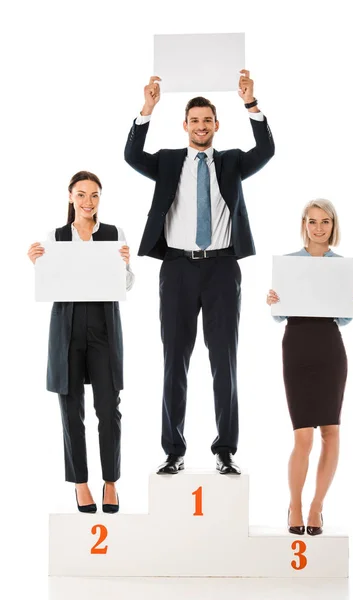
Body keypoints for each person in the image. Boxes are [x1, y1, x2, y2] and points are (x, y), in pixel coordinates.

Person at [124, 70, 275, 475]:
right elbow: (132, 157)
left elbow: (267, 150)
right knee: (175, 360)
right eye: (195, 120)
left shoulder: (232, 162)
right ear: (185, 125)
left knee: (223, 361)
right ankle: (174, 450)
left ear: (216, 125)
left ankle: (225, 449)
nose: (202, 126)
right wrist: (147, 109)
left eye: (208, 120)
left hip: (223, 268)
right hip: (177, 269)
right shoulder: (170, 161)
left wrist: (251, 102)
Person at [27, 171, 134, 513]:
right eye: (82, 194)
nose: (89, 202)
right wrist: (36, 264)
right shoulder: (55, 237)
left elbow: (127, 284)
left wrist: (126, 266)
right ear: (70, 196)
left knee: (108, 407)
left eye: (95, 195)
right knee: (70, 407)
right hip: (67, 327)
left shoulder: (113, 234)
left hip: (103, 325)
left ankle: (111, 482)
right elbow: (49, 281)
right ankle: (81, 483)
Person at [267, 199, 353, 535]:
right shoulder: (290, 263)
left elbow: (343, 318)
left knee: (331, 431)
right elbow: (280, 315)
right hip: (296, 344)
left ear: (333, 225)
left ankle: (316, 506)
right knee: (303, 436)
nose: (319, 228)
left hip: (329, 346)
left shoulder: (342, 266)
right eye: (313, 221)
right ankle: (294, 504)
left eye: (325, 222)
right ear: (304, 224)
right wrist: (273, 301)